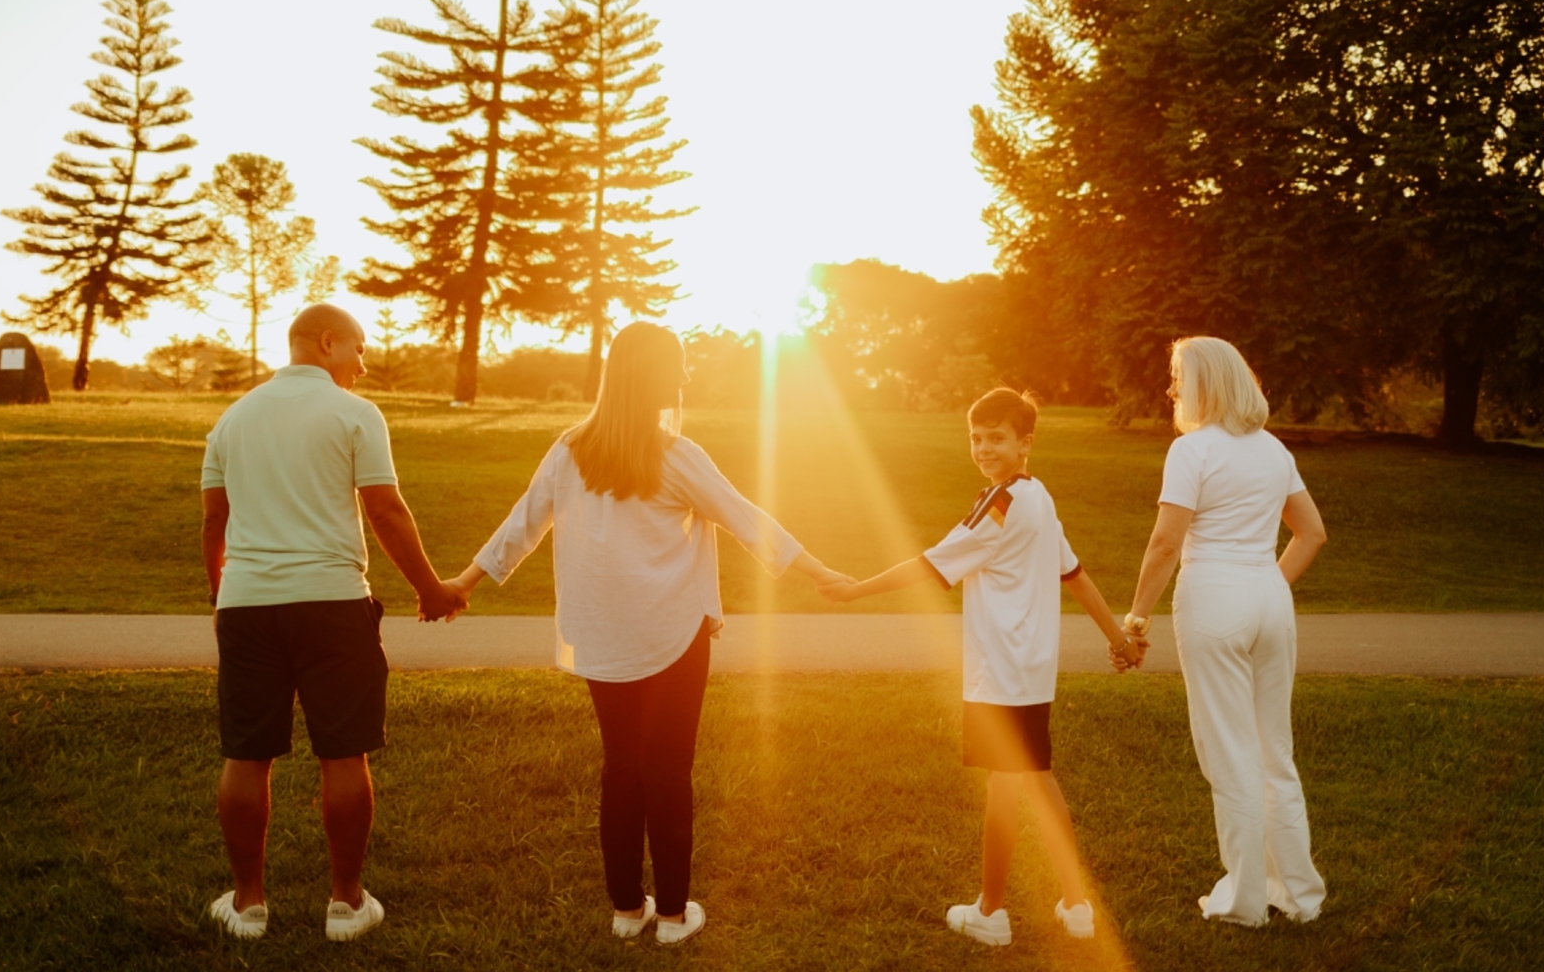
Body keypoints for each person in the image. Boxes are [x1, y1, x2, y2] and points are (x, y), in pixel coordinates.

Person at [447, 323, 852, 946]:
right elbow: (747, 520)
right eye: (679, 365)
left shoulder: (569, 450)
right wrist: (820, 570)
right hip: (672, 634)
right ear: (653, 376)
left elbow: (521, 525)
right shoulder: (676, 455)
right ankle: (672, 918)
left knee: (622, 768)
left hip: (602, 635)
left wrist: (466, 581)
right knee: (666, 772)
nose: (686, 376)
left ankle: (626, 910)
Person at [821, 387, 1142, 947]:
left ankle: (990, 913)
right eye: (976, 437)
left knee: (1005, 787)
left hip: (1001, 672)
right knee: (1038, 780)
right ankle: (1076, 905)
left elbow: (930, 564)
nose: (984, 448)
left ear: (1025, 443)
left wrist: (855, 590)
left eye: (997, 437)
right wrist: (1118, 639)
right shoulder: (1038, 496)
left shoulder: (1001, 503)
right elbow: (1075, 574)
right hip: (1032, 670)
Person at [200, 304, 468, 942]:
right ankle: (346, 905)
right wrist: (431, 590)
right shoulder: (355, 413)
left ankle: (247, 905)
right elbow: (386, 510)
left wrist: (223, 598)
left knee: (246, 754)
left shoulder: (231, 420)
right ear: (327, 342)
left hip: (247, 606)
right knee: (344, 753)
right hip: (333, 603)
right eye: (359, 349)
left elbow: (214, 522)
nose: (363, 365)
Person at [1117, 336, 1326, 927]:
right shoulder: (1273, 450)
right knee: (1273, 752)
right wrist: (1266, 585)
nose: (1172, 388)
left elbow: (1166, 543)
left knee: (1230, 755)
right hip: (1269, 597)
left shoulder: (1192, 450)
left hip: (1214, 598)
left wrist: (1136, 619)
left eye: (1178, 376)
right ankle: (1300, 896)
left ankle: (1244, 901)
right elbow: (1311, 533)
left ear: (1204, 383)